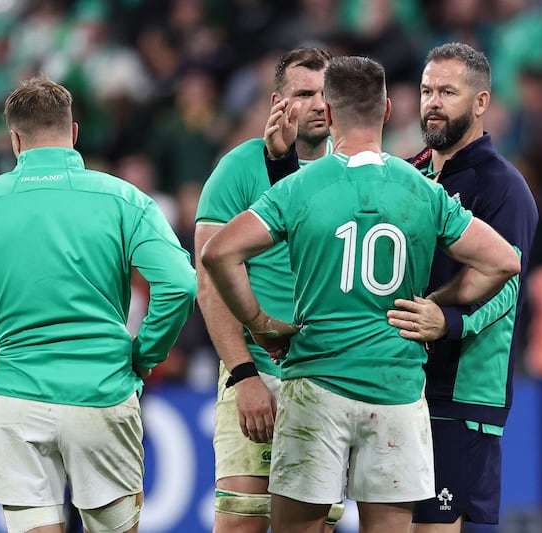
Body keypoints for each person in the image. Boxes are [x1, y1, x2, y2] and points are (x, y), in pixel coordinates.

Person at [200, 55, 522, 533]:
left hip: (319, 384)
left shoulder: (301, 187)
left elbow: (217, 254)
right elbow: (505, 262)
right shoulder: (422, 189)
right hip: (396, 392)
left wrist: (262, 324)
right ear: (389, 111)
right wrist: (440, 303)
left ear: (329, 114)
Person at [0, 77, 197, 533]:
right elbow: (180, 284)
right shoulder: (123, 199)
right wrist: (144, 353)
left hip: (18, 396)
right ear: (73, 133)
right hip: (103, 391)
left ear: (14, 140)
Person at [387, 42, 539, 532]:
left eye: (448, 92)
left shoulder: (502, 187)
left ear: (480, 103)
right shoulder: (409, 173)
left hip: (461, 392)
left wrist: (447, 323)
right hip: (401, 383)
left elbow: (509, 286)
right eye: (427, 89)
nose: (432, 101)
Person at [193, 46, 345, 532]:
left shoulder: (356, 171)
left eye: (327, 93)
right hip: (258, 374)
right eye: (305, 94)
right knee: (241, 522)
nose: (319, 103)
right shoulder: (239, 169)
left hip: (331, 381)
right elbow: (209, 284)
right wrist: (243, 376)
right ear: (279, 102)